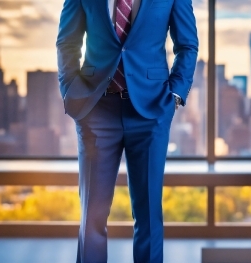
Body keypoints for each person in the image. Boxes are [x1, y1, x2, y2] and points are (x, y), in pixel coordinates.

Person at [56, 0, 198, 261]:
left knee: (148, 214)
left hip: (152, 110)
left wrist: (175, 96)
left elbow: (187, 45)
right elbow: (67, 42)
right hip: (97, 109)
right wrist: (71, 90)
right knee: (92, 215)